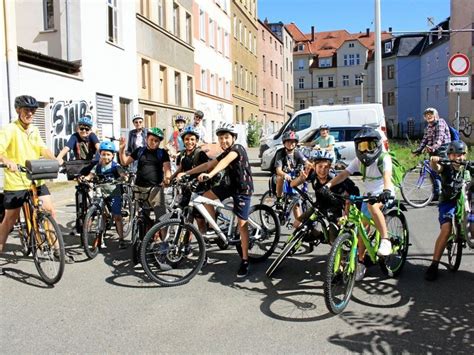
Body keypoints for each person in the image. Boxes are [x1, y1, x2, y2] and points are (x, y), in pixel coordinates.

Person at [177, 122, 253, 277]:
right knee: (204, 199)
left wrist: (210, 175)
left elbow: (224, 163)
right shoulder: (225, 152)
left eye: (226, 137)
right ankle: (214, 228)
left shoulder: (237, 149)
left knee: (242, 224)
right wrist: (186, 173)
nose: (223, 141)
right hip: (229, 185)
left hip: (242, 188)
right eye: (221, 138)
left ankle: (245, 260)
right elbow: (208, 164)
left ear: (233, 138)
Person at [322, 127, 394, 281]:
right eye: (362, 146)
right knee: (361, 229)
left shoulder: (384, 158)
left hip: (384, 193)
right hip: (368, 196)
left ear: (377, 145)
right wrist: (328, 185)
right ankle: (361, 261)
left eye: (370, 146)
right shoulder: (358, 161)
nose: (366, 150)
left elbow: (387, 176)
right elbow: (344, 174)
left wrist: (386, 191)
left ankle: (386, 240)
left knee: (373, 207)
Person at [0, 95, 58, 255]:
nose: (30, 113)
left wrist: (54, 159)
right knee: (10, 220)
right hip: (16, 180)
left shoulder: (34, 129)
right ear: (18, 110)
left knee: (50, 211)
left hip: (35, 178)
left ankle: (57, 249)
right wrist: (7, 160)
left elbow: (42, 149)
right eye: (27, 110)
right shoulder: (9, 129)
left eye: (33, 110)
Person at [425, 141, 471, 281]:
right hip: (448, 202)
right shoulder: (445, 167)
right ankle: (434, 265)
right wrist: (434, 161)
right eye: (455, 155)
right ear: (449, 156)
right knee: (446, 229)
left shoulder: (468, 167)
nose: (459, 158)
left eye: (462, 155)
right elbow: (436, 167)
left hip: (465, 201)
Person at [291, 150, 359, 228]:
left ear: (330, 167)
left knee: (332, 233)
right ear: (314, 166)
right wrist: (301, 179)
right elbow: (292, 184)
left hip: (338, 208)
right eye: (320, 166)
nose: (322, 170)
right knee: (297, 224)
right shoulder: (312, 174)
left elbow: (348, 200)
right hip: (320, 205)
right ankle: (317, 236)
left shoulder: (334, 180)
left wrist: (345, 216)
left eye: (326, 167)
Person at [119, 127, 171, 220]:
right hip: (139, 188)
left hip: (155, 189)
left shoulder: (162, 153)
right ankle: (144, 233)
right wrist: (122, 150)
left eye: (157, 141)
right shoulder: (139, 151)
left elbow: (167, 169)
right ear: (146, 139)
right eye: (151, 139)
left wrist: (167, 178)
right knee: (142, 217)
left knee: (162, 217)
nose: (153, 142)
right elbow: (124, 162)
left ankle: (162, 234)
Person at [82, 141, 127, 249]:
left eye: (108, 154)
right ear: (100, 154)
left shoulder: (115, 166)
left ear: (112, 156)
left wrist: (124, 177)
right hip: (100, 193)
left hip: (114, 193)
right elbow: (90, 175)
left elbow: (122, 174)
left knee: (117, 216)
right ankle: (100, 237)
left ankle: (121, 239)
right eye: (103, 154)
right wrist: (85, 178)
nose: (105, 156)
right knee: (101, 214)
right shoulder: (97, 167)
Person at [171, 126, 210, 234]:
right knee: (186, 219)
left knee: (200, 220)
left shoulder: (200, 154)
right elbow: (181, 168)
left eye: (192, 139)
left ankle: (203, 240)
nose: (189, 142)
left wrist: (201, 176)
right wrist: (171, 178)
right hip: (186, 189)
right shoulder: (182, 154)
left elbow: (206, 168)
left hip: (198, 190)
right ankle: (186, 245)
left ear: (196, 141)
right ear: (183, 140)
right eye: (187, 139)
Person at [274, 131, 307, 216]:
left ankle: (299, 225)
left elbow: (307, 163)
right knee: (279, 178)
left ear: (296, 143)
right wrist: (285, 175)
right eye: (288, 141)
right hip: (282, 176)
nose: (290, 144)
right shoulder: (280, 153)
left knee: (295, 203)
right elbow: (278, 170)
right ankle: (279, 200)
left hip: (294, 177)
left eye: (293, 142)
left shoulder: (298, 152)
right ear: (284, 143)